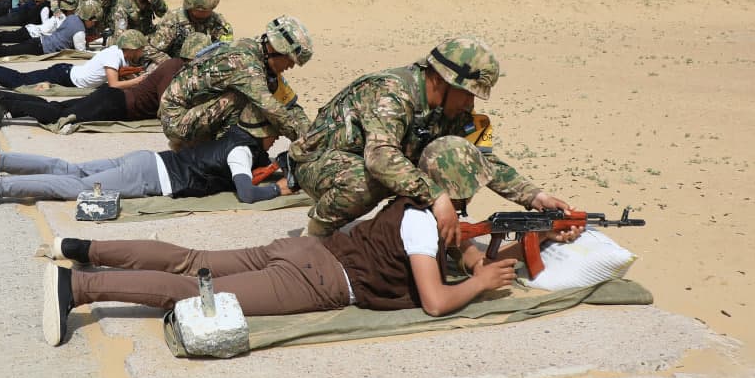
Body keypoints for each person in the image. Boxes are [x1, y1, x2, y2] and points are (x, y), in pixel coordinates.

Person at [40, 136, 579, 345]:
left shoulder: (419, 209)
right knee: (195, 293)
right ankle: (79, 287)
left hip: (302, 250)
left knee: (193, 260)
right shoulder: (423, 223)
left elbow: (469, 254)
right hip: (318, 278)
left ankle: (83, 248)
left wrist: (544, 239)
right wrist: (482, 284)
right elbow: (437, 301)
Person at [288, 36, 569, 240]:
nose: (471, 104)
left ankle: (404, 236)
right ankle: (316, 234)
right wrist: (436, 196)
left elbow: (482, 161)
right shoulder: (393, 92)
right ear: (446, 80)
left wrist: (534, 196)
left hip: (366, 160)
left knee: (453, 161)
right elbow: (381, 158)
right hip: (320, 164)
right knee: (369, 179)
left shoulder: (452, 109)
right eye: (469, 92)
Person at [0, 108, 297, 212]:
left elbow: (248, 170)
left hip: (148, 161)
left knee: (70, 169)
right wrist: (278, 191)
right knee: (75, 186)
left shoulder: (237, 142)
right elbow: (247, 193)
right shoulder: (240, 152)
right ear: (261, 132)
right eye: (273, 135)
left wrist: (270, 170)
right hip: (150, 178)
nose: (273, 141)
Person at [0, 32, 212, 133]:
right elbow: (166, 104)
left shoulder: (173, 65)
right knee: (57, 113)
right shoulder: (175, 68)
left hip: (113, 98)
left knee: (62, 108)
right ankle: (2, 102)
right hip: (116, 103)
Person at [159, 15, 313, 150]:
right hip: (176, 120)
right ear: (276, 49)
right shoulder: (245, 62)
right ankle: (221, 152)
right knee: (245, 100)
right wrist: (307, 143)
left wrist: (313, 133)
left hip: (195, 111)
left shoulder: (261, 59)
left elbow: (289, 103)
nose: (291, 66)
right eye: (290, 60)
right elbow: (273, 109)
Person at [0, 29, 147, 96]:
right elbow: (114, 84)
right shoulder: (113, 56)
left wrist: (136, 74)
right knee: (18, 81)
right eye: (140, 49)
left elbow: (117, 75)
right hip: (64, 76)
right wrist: (140, 80)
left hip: (66, 73)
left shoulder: (117, 53)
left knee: (19, 80)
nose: (142, 52)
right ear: (132, 48)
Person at [0, 0, 98, 58]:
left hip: (37, 39)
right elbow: (81, 52)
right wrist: (97, 53)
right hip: (37, 42)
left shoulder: (72, 18)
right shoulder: (78, 28)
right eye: (94, 20)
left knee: (0, 41)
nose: (94, 24)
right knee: (3, 50)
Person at [144, 0, 234, 65]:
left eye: (210, 9)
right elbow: (150, 49)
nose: (206, 13)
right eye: (201, 9)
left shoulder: (218, 23)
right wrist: (173, 65)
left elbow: (226, 48)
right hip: (174, 63)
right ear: (190, 6)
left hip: (204, 64)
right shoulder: (172, 21)